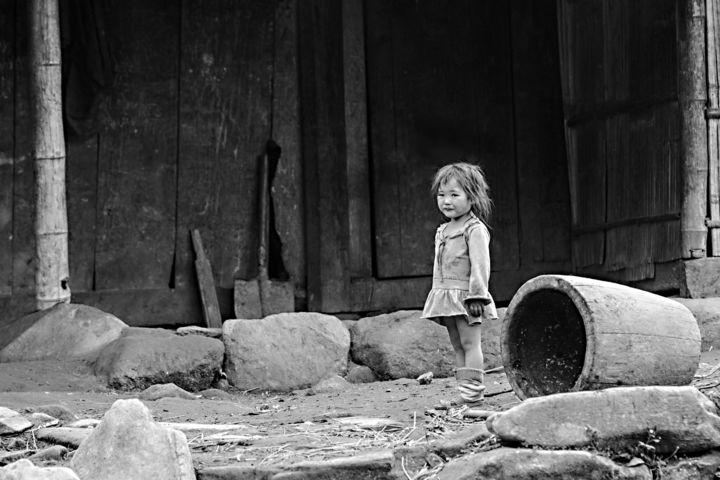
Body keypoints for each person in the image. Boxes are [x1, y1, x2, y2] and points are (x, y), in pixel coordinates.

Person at [421, 161, 498, 407]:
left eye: (455, 195)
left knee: (469, 343)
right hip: (446, 295)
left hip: (467, 296)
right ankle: (464, 393)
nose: (446, 201)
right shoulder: (443, 230)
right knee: (457, 345)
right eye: (442, 195)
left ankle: (473, 395)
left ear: (472, 197)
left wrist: (477, 295)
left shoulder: (473, 229)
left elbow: (480, 265)